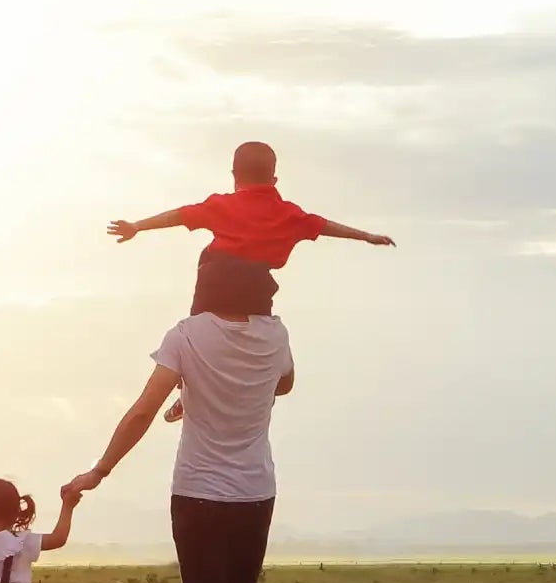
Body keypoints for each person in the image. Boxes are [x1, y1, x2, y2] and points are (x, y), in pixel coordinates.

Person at [64, 307, 296, 583]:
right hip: (255, 493)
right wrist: (210, 391)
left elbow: (142, 412)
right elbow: (283, 383)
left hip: (198, 497)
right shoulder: (274, 333)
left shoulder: (186, 335)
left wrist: (100, 470)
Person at [107, 141, 391, 421]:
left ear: (234, 176)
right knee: (261, 313)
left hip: (215, 287)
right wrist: (365, 236)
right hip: (257, 293)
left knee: (207, 266)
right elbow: (325, 226)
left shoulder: (223, 204)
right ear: (274, 178)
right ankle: (250, 378)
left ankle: (185, 388)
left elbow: (178, 216)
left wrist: (137, 226)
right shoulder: (289, 213)